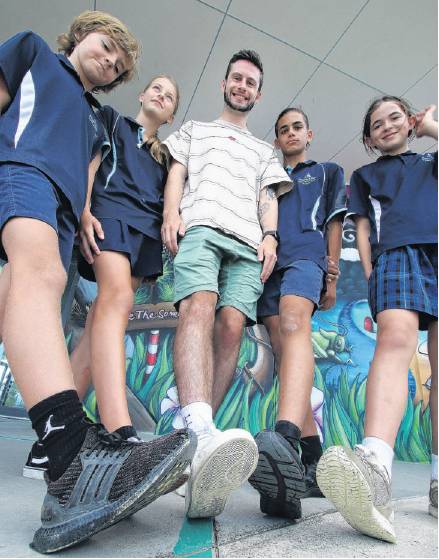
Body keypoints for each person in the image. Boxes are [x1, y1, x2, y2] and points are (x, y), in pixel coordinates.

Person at [0, 13, 194, 553]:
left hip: (59, 205)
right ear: (79, 35)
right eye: (106, 46)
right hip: (22, 168)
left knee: (22, 291)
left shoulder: (91, 117)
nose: (110, 60)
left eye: (119, 62)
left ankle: (68, 452)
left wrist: (79, 210)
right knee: (38, 277)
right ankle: (67, 449)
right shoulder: (34, 52)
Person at [22, 75, 180, 478]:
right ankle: (120, 431)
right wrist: (85, 210)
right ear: (143, 94)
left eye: (170, 96)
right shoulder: (111, 121)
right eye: (156, 88)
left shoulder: (167, 156)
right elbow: (91, 166)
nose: (161, 95)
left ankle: (49, 444)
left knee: (99, 326)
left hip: (143, 235)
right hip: (109, 216)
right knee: (116, 303)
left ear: (172, 113)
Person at [162, 49, 292, 518]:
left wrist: (271, 237)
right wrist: (171, 213)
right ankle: (197, 430)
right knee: (197, 306)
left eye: (250, 82)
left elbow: (268, 198)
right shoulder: (195, 130)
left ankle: (203, 439)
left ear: (257, 94)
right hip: (200, 226)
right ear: (224, 84)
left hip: (248, 243)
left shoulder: (265, 151)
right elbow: (176, 173)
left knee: (233, 326)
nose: (242, 86)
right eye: (236, 79)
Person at [317, 97, 438, 543]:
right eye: (376, 124)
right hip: (397, 256)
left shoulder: (430, 160)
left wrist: (432, 127)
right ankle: (376, 468)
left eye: (395, 117)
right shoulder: (364, 177)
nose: (386, 126)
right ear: (367, 138)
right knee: (396, 341)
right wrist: (371, 273)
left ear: (409, 121)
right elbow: (362, 227)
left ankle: (438, 483)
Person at [249, 107, 346, 519]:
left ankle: (286, 437)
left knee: (294, 323)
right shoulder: (269, 180)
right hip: (267, 265)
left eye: (297, 128)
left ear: (310, 133)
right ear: (276, 139)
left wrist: (333, 272)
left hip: (306, 258)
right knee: (286, 356)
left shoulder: (326, 171)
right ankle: (311, 459)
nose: (290, 134)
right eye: (283, 129)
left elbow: (334, 222)